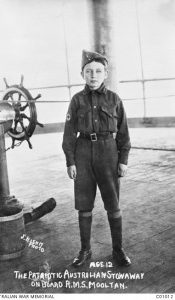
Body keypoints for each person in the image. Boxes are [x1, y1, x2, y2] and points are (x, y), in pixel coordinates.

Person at [62, 50, 131, 267]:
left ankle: (118, 250)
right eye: (89, 71)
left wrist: (123, 160)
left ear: (105, 74)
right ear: (82, 74)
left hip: (108, 153)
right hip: (82, 154)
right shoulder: (76, 100)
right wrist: (70, 161)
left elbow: (123, 133)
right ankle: (85, 250)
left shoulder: (114, 99)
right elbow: (68, 134)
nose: (93, 75)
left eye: (98, 71)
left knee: (113, 204)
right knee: (84, 206)